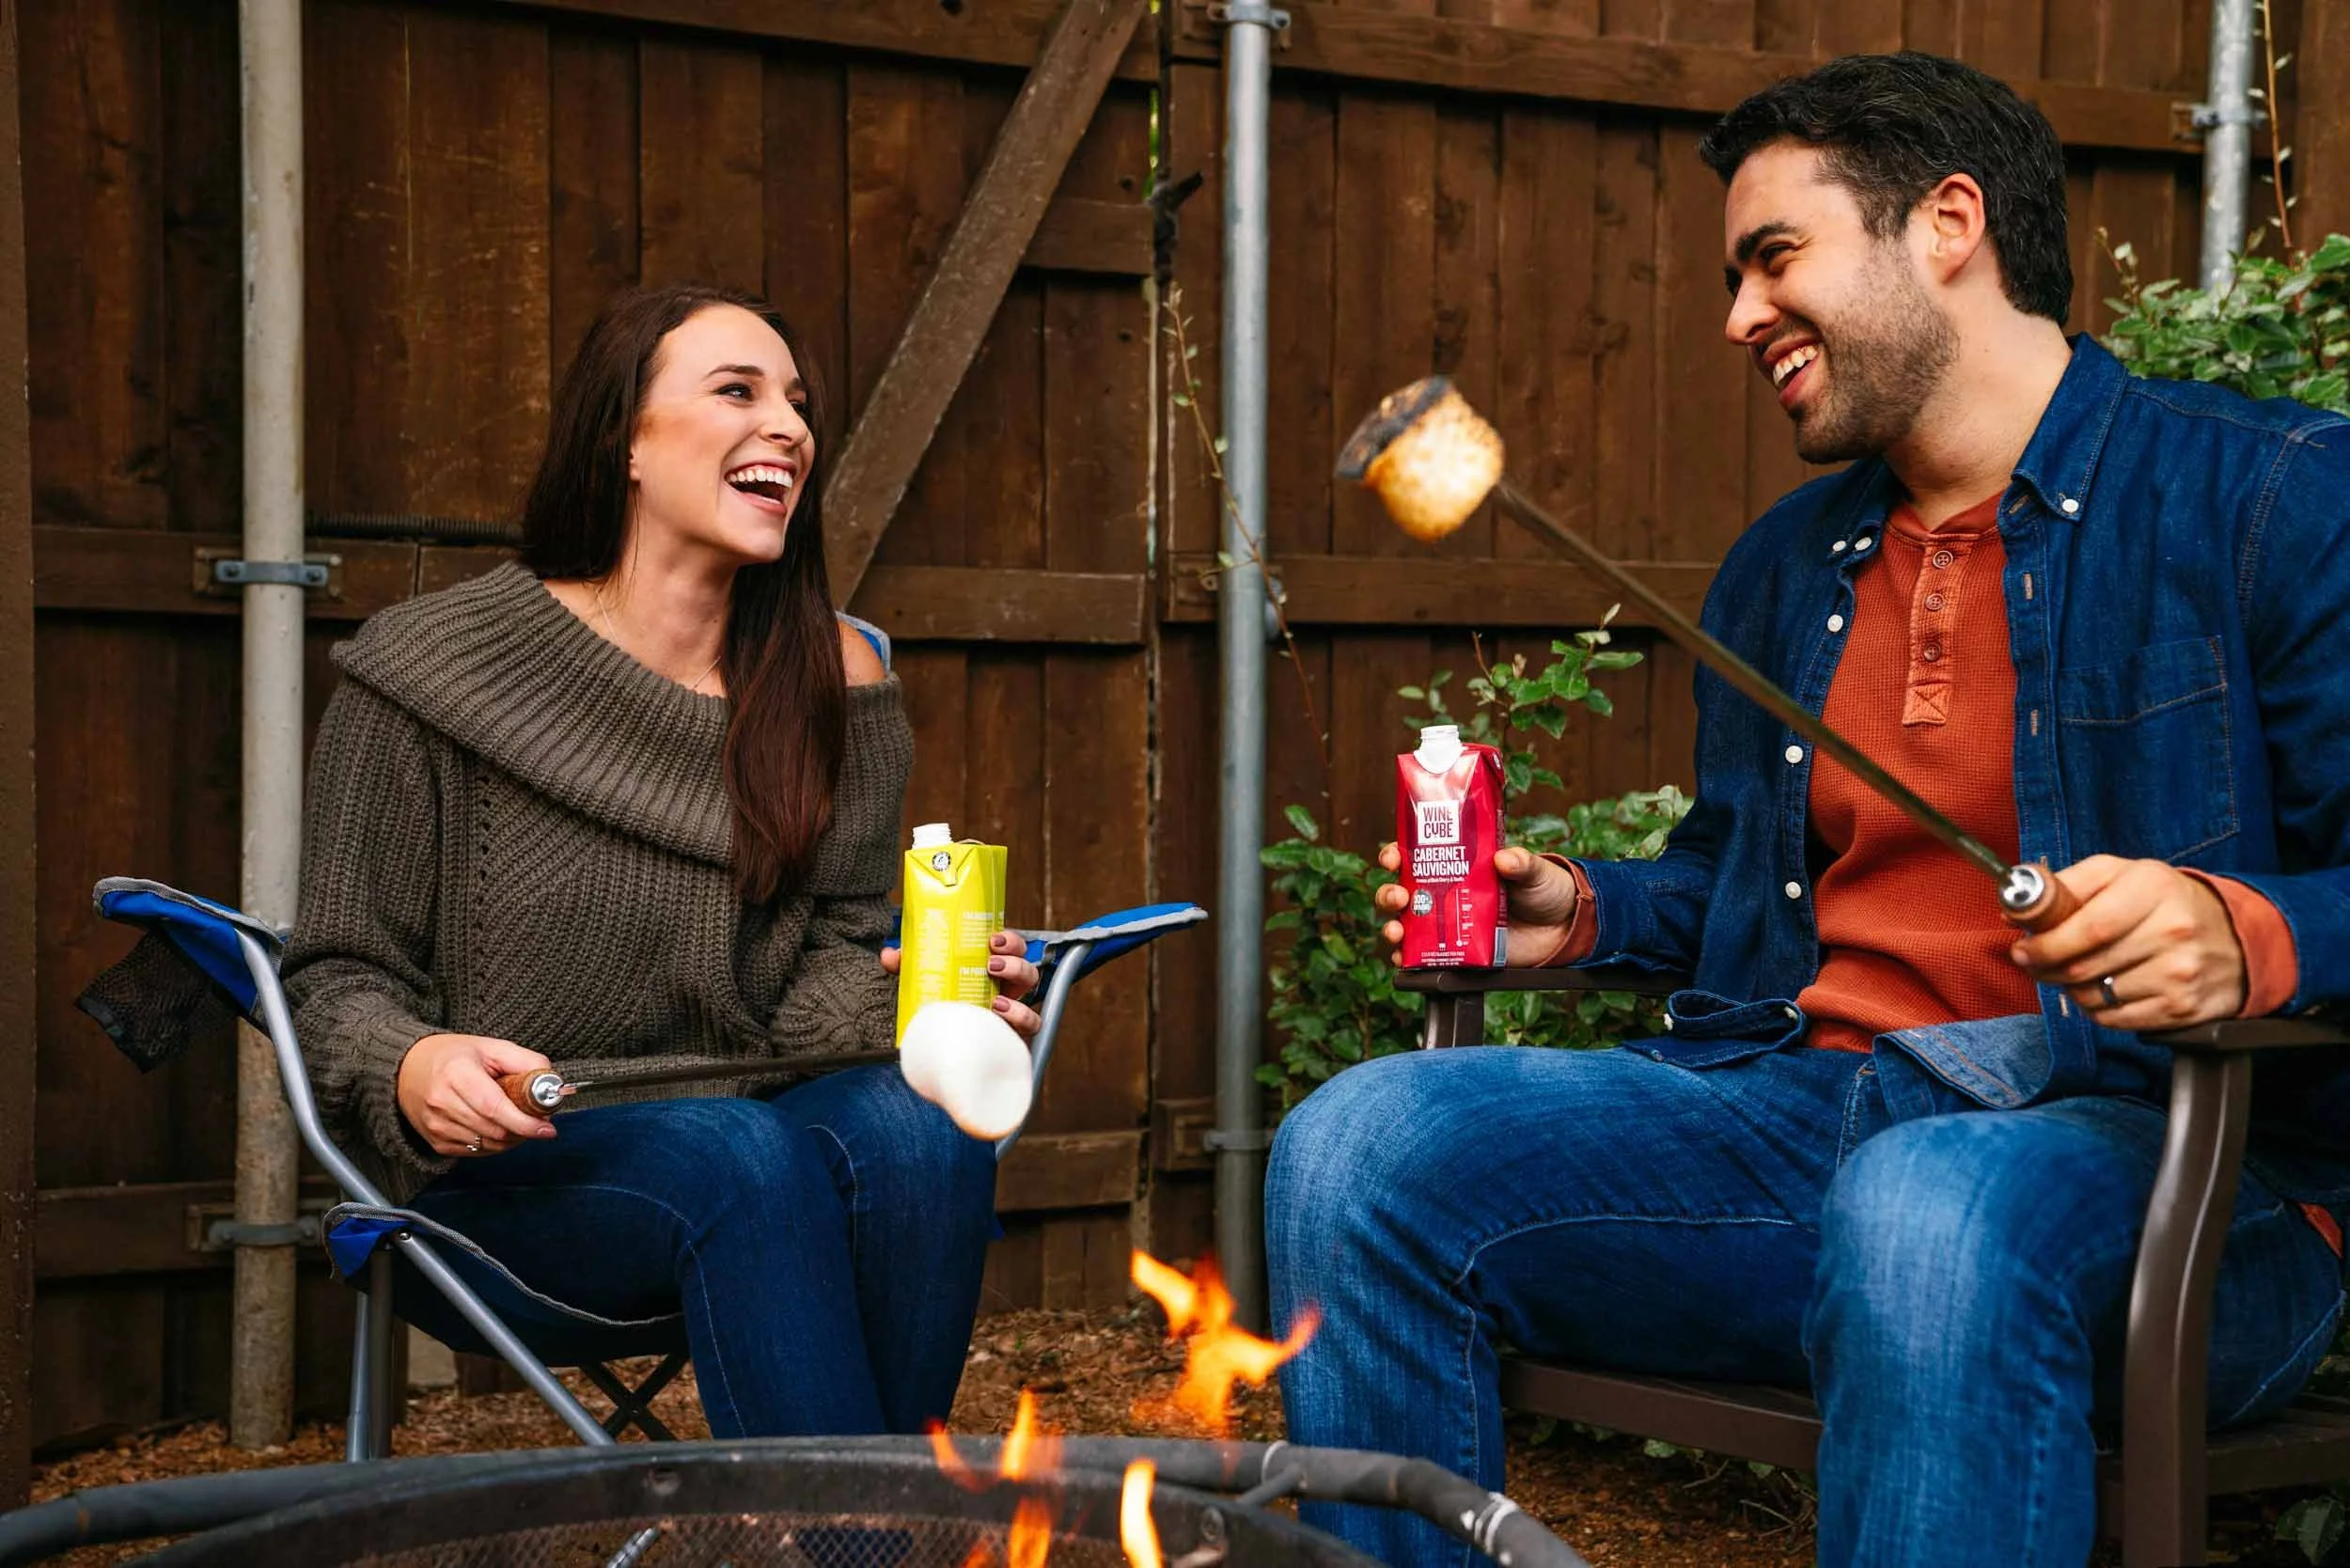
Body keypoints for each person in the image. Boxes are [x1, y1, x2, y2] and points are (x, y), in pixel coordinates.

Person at [1267, 52, 2350, 1568]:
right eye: (1734, 275)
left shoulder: (2272, 499)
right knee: (1356, 1145)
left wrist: (2251, 935)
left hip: (2171, 1166)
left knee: (1931, 1206)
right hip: (1800, 1123)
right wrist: (1588, 912)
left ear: (1948, 225)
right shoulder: (1787, 567)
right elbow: (1738, 881)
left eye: (1775, 257)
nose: (1736, 316)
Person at [282, 281, 1036, 1439]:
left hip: (753, 1138)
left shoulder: (831, 683)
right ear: (624, 439)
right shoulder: (429, 670)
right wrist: (408, 1061)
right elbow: (335, 975)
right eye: (736, 390)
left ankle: (857, 1539)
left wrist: (924, 1006)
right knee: (734, 1149)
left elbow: (820, 979)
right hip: (513, 1175)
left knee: (919, 1124)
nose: (787, 426)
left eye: (797, 403)